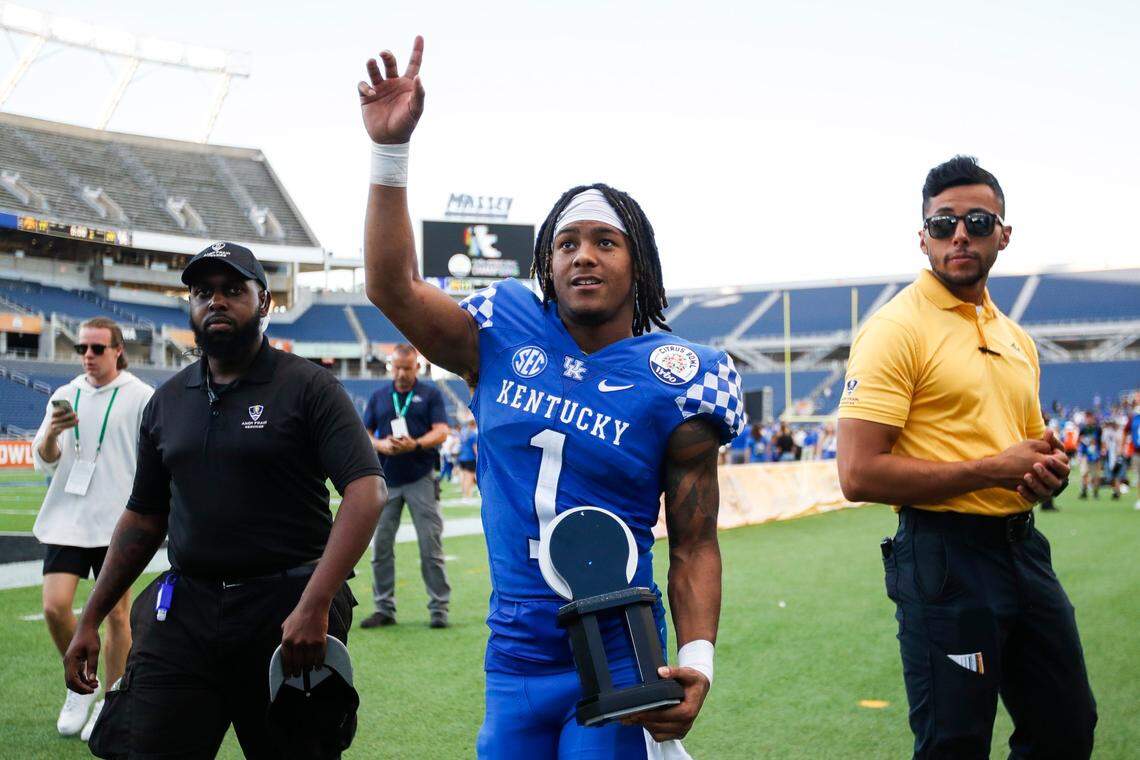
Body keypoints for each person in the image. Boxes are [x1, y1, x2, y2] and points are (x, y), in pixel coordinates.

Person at [358, 36, 741, 756]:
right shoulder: (499, 332)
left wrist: (698, 662)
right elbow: (391, 286)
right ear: (546, 262)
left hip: (621, 652)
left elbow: (694, 542)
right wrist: (390, 153)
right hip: (514, 655)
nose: (583, 255)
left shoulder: (680, 375)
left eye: (605, 242)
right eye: (567, 243)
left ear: (639, 264)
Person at [63, 242, 386, 758]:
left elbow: (366, 490)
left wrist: (316, 602)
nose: (215, 301)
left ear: (264, 302)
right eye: (202, 292)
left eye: (233, 289)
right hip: (187, 607)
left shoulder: (309, 387)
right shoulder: (167, 401)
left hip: (287, 605)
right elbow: (144, 517)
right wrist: (90, 617)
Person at [837, 156, 1096, 758]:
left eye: (977, 222)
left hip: (1022, 548)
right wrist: (993, 469)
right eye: (943, 223)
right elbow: (857, 473)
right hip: (943, 555)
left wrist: (1045, 474)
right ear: (922, 236)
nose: (959, 235)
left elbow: (1027, 450)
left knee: (1067, 727)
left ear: (1003, 235)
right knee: (954, 744)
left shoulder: (1015, 337)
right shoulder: (896, 328)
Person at [32, 317, 153, 740]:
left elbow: (154, 458)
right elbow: (45, 459)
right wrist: (52, 433)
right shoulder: (65, 394)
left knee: (118, 615)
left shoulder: (141, 396)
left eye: (97, 348)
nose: (87, 355)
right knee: (54, 606)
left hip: (118, 522)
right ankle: (81, 685)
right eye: (81, 347)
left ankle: (111, 702)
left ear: (118, 350)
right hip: (67, 517)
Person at [360, 343, 451, 629]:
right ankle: (383, 607)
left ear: (417, 367)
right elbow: (364, 432)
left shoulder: (430, 394)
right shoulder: (379, 396)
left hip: (420, 477)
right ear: (391, 367)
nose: (401, 373)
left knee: (430, 546)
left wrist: (416, 444)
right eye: (397, 368)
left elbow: (442, 431)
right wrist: (380, 444)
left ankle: (439, 608)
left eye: (407, 368)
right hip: (386, 479)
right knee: (380, 547)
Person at [1077, 410, 1102, 499]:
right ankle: (1084, 491)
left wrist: (1100, 451)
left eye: (1089, 417)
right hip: (1085, 454)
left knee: (1095, 475)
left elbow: (1100, 441)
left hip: (1095, 454)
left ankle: (1095, 492)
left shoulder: (1097, 428)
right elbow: (1079, 439)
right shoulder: (1083, 428)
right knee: (1084, 473)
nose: (1088, 420)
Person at [457, 417, 479, 500]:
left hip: (461, 457)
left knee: (463, 477)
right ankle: (467, 496)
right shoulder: (473, 434)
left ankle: (464, 494)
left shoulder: (463, 433)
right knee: (469, 477)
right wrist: (478, 458)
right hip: (470, 457)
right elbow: (475, 448)